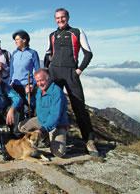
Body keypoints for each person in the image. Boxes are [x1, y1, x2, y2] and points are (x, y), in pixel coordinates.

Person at [44, 8, 98, 156]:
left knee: (78, 106)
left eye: (62, 17)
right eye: (57, 18)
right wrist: (46, 70)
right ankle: (51, 136)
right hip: (54, 72)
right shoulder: (52, 35)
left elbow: (88, 53)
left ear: (68, 17)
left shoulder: (76, 32)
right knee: (52, 104)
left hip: (70, 72)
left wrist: (78, 70)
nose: (60, 20)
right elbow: (48, 54)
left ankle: (89, 140)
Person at [18, 69, 69, 158]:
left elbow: (55, 116)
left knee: (59, 153)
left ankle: (46, 138)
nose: (40, 83)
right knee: (22, 126)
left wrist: (41, 130)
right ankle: (43, 139)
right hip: (41, 120)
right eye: (37, 81)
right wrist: (28, 94)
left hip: (56, 124)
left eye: (42, 80)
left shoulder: (56, 92)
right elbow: (34, 104)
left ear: (48, 79)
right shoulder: (39, 91)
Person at [9, 30, 40, 116]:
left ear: (24, 40)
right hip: (15, 86)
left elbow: (37, 71)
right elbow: (12, 70)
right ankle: (17, 128)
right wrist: (9, 84)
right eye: (15, 40)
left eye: (17, 39)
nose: (15, 41)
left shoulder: (32, 53)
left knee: (28, 110)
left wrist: (32, 85)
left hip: (27, 86)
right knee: (17, 110)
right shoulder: (14, 53)